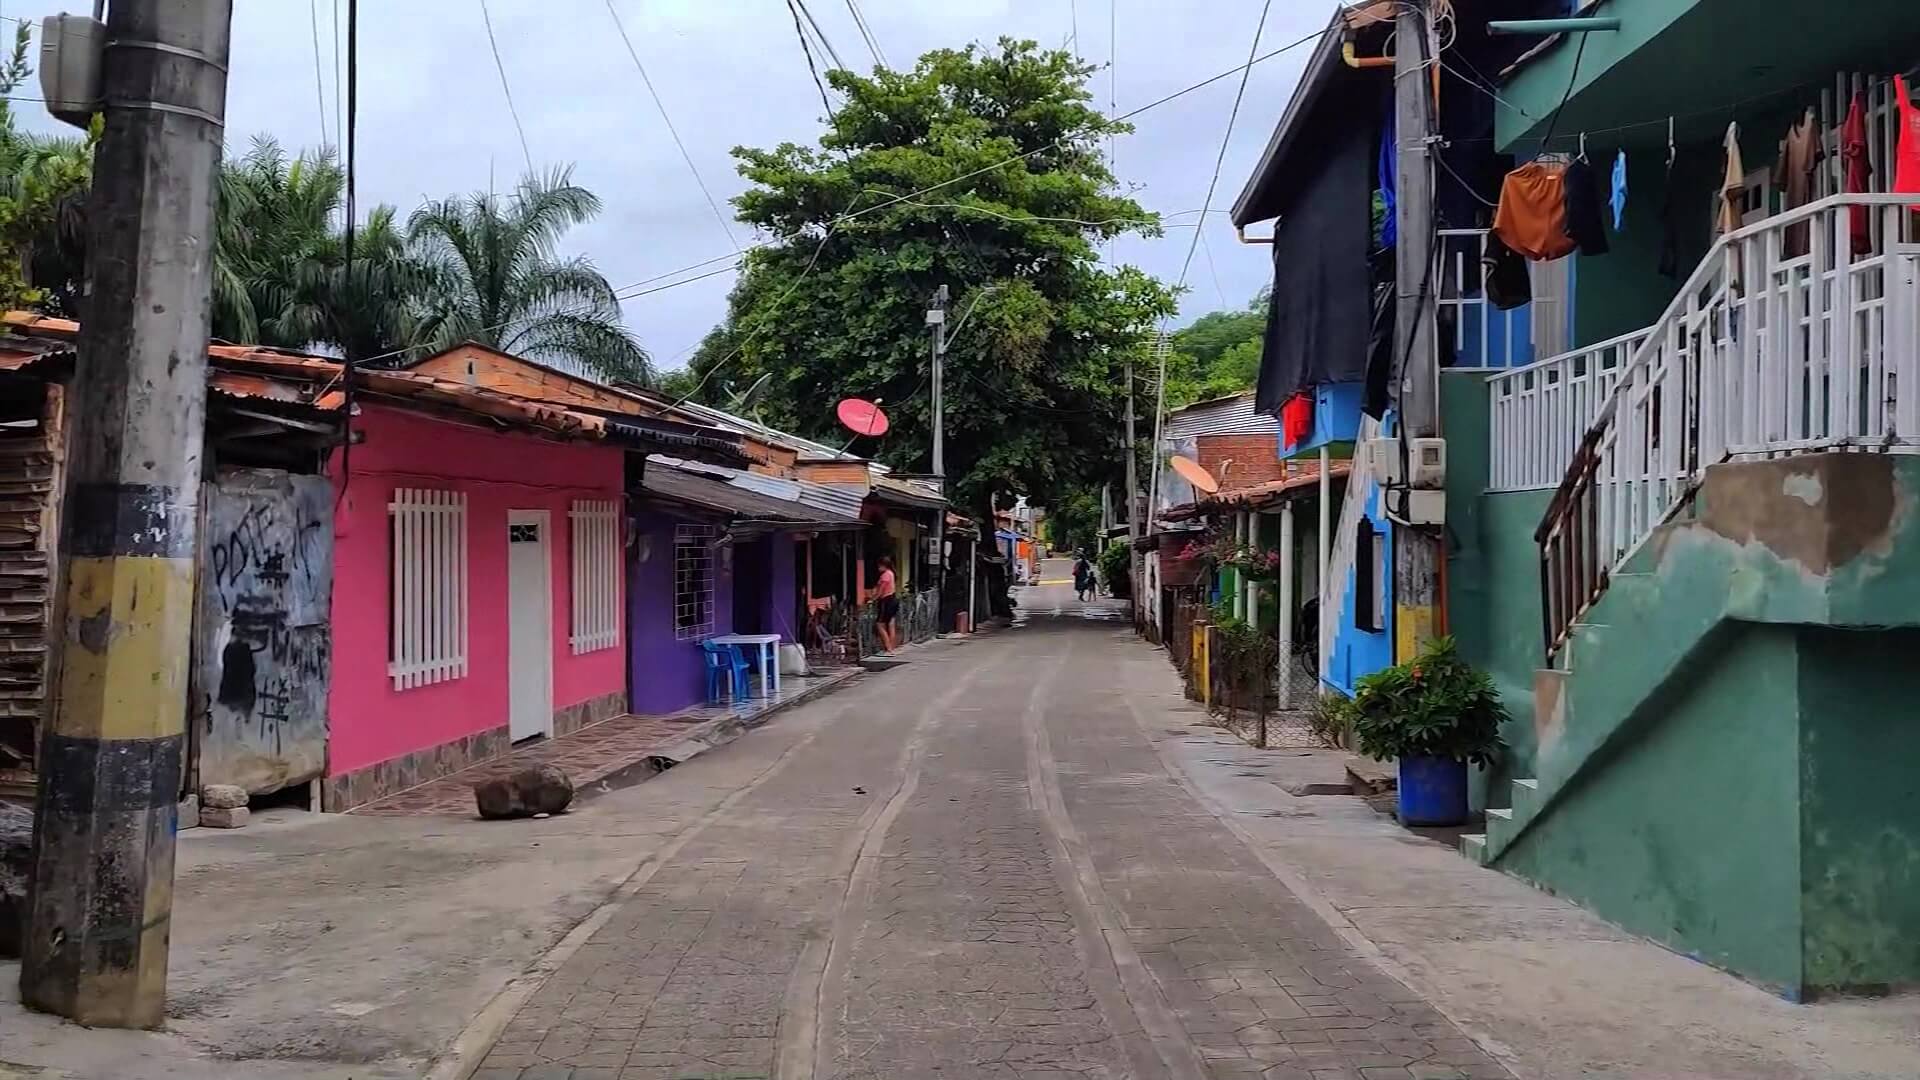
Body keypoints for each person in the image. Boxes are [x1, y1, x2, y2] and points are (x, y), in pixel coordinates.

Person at [874, 555, 899, 652]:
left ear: (884, 565)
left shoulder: (885, 575)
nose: (878, 568)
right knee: (891, 623)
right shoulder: (891, 573)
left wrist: (873, 599)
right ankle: (891, 647)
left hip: (886, 600)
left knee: (880, 624)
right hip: (893, 599)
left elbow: (881, 590)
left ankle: (888, 647)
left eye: (879, 566)